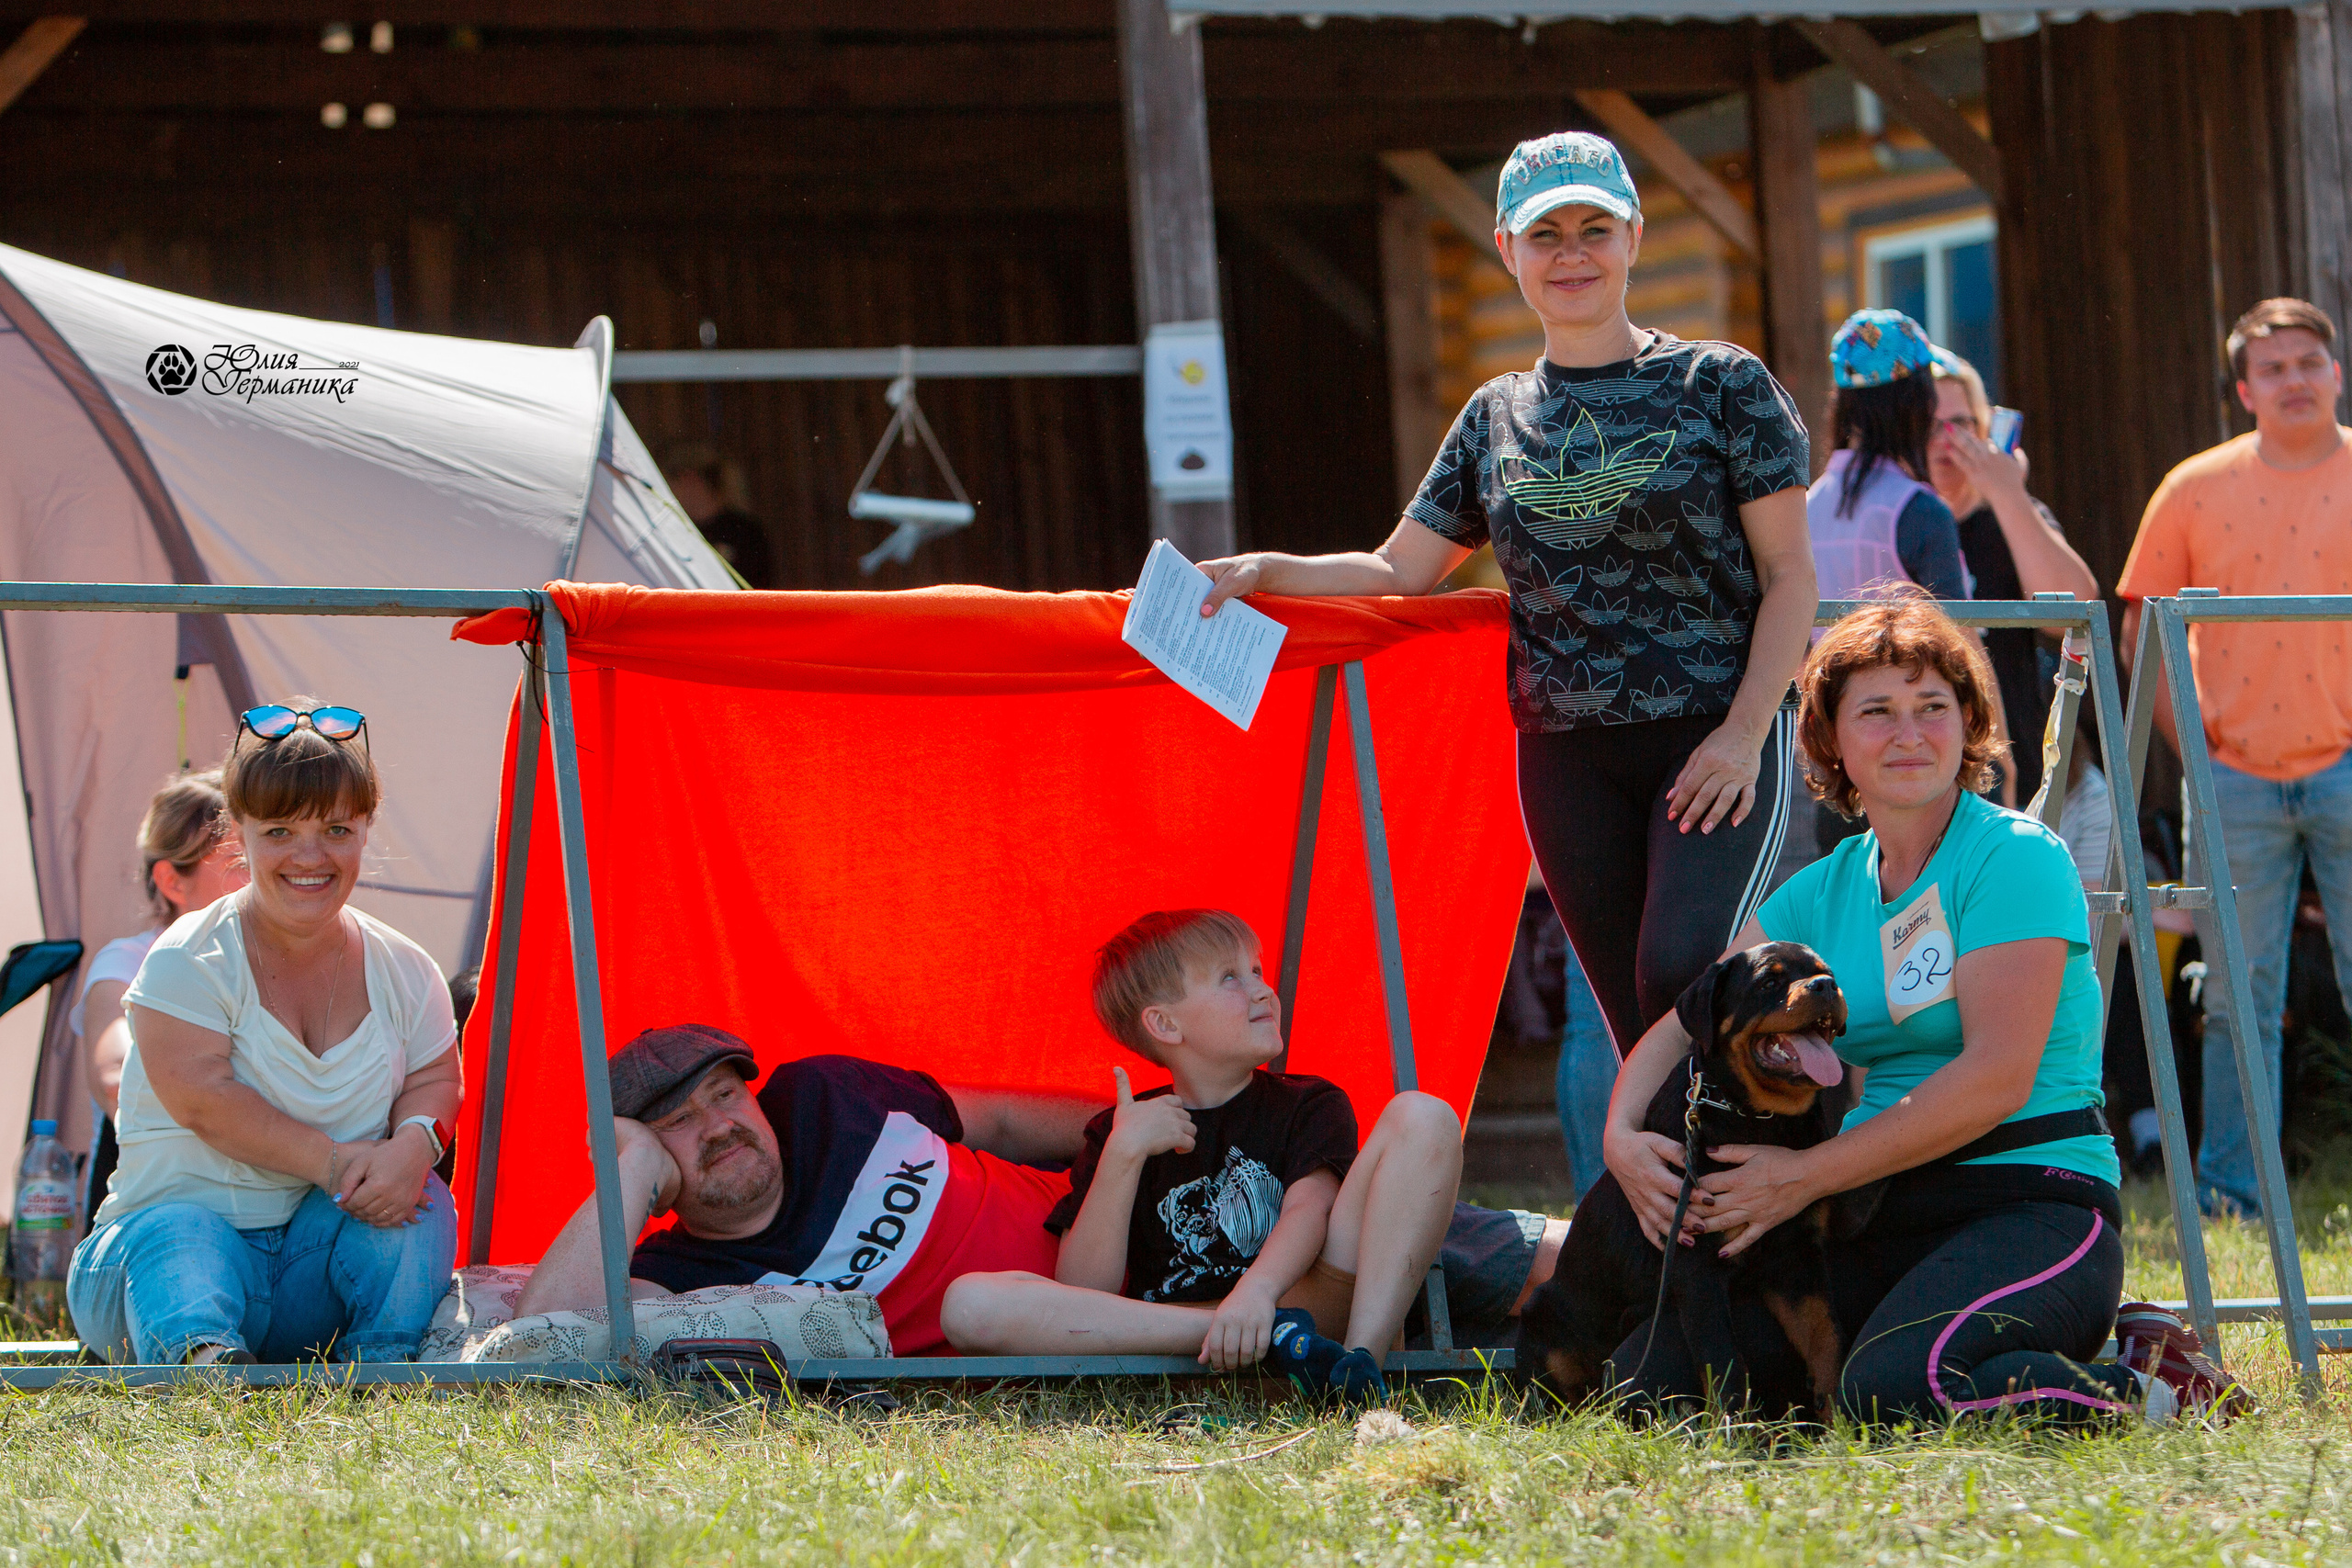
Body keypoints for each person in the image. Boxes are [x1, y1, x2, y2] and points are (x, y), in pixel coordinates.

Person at [1197, 130, 1816, 1060]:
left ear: (1633, 238)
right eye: (1545, 234)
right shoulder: (1493, 416)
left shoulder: (1721, 384)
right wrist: (1265, 572)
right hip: (1564, 758)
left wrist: (1740, 733)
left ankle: (1766, 1179)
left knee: (1681, 967)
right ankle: (1678, 1197)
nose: (1571, 253)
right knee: (1628, 1013)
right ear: (1506, 251)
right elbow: (1398, 572)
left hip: (1715, 735)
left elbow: (1791, 576)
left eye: (1593, 228)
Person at [1601, 597, 2246, 1425]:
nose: (1910, 732)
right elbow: (1685, 1025)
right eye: (1877, 710)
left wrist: (1800, 1177)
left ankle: (2161, 1393)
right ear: (1831, 738)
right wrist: (1623, 1138)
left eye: (1933, 707)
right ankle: (2124, 1339)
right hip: (1881, 1203)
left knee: (1893, 1389)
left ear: (1968, 724)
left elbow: (1997, 1077)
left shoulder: (2015, 856)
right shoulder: (1820, 891)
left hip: (2034, 1199)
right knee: (1706, 1374)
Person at [65, 702, 462, 1365]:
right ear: (239, 834)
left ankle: (385, 1373)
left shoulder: (406, 966)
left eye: (337, 828)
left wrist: (415, 1146)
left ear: (366, 828)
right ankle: (203, 1366)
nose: (311, 856)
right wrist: (336, 1164)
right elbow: (204, 1100)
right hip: (150, 1266)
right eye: (280, 830)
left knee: (421, 1199)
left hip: (306, 1272)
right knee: (182, 1229)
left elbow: (435, 1077)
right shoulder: (183, 957)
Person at [940, 910, 1464, 1403]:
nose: (1262, 988)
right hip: (1182, 1340)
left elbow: (1313, 1209)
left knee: (1423, 1115)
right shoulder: (1116, 1131)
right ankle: (1267, 1340)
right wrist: (1124, 1154)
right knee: (968, 1304)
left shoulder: (1310, 1101)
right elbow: (1083, 1289)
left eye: (1256, 970)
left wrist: (1256, 1294)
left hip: (1304, 1303)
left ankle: (1358, 1367)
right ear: (1166, 1025)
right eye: (1230, 978)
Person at [2116, 297, 2352, 1219]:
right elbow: (2144, 635)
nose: (2293, 379)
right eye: (2273, 367)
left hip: (2346, 762)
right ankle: (2230, 1195)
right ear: (2244, 389)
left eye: (2308, 362)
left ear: (2335, 371)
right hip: (2233, 776)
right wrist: (2198, 754)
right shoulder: (2190, 487)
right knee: (2234, 1000)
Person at [1800, 309, 1973, 859]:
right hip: (1918, 765)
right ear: (1920, 403)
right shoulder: (1921, 510)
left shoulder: (1802, 511)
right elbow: (1962, 646)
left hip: (1836, 762)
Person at [73, 770, 249, 1217]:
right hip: (151, 1205)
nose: (264, 876)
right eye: (237, 863)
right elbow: (114, 1080)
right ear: (172, 882)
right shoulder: (125, 963)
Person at [1928, 349, 2098, 803]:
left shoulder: (2008, 512)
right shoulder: (1891, 521)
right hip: (1931, 777)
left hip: (2035, 776)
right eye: (1929, 424)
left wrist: (2007, 493)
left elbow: (2072, 614)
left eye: (1961, 424)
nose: (1947, 440)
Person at [662, 443, 776, 589]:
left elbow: (757, 586)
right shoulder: (677, 530)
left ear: (689, 478)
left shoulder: (746, 532)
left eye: (669, 482)